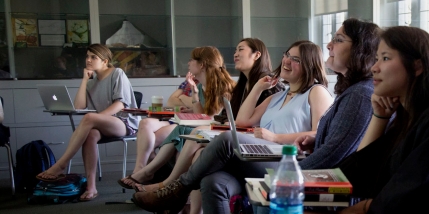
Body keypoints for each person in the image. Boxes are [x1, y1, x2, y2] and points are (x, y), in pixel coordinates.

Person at [131, 40, 339, 213]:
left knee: (229, 139)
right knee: (212, 181)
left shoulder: (316, 92)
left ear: (309, 64)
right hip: (259, 159)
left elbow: (319, 134)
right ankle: (177, 190)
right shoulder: (277, 96)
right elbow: (241, 121)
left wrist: (275, 138)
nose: (287, 61)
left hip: (288, 163)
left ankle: (177, 189)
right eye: (287, 55)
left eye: (296, 59)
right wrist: (258, 87)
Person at [334, 26, 429, 214]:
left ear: (417, 66)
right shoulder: (407, 120)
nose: (374, 68)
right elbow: (356, 176)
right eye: (376, 59)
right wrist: (380, 117)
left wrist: (365, 208)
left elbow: (405, 199)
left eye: (385, 58)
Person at [119, 46, 236, 191]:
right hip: (208, 127)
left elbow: (211, 118)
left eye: (191, 60)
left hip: (223, 130)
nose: (188, 63)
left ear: (202, 65)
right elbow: (201, 115)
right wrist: (194, 93)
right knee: (180, 130)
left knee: (181, 130)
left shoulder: (222, 86)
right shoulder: (200, 87)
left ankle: (152, 175)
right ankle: (149, 173)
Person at [36, 44, 139, 201]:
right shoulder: (92, 80)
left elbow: (121, 104)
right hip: (103, 124)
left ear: (105, 61)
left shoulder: (117, 73)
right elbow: (79, 106)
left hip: (124, 123)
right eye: (87, 56)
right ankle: (91, 188)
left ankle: (61, 164)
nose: (88, 60)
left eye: (93, 57)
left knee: (90, 118)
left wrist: (98, 118)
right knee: (90, 134)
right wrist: (84, 80)